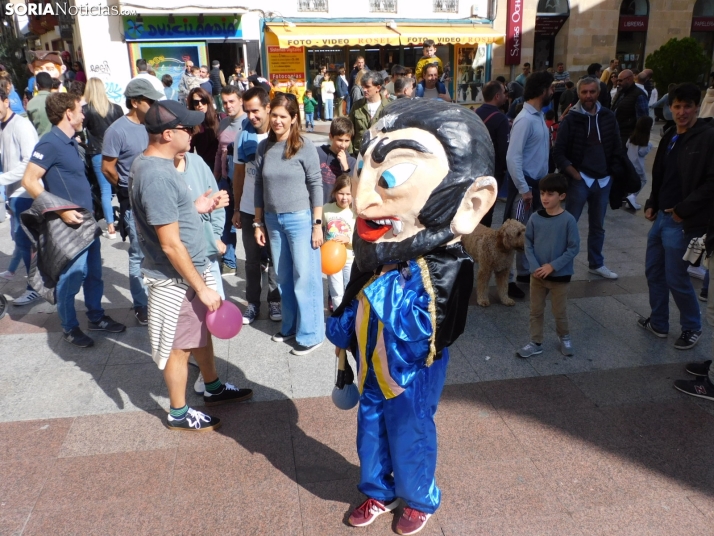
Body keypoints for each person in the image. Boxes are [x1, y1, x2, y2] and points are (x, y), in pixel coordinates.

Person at [327, 99, 497, 536]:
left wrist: (379, 285)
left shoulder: (447, 264)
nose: (364, 199)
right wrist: (342, 322)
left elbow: (425, 331)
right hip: (370, 364)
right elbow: (354, 303)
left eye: (390, 176)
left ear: (470, 200)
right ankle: (377, 490)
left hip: (409, 371)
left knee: (410, 428)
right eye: (363, 173)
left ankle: (419, 496)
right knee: (369, 425)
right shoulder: (378, 256)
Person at [130, 100, 252, 431]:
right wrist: (201, 287)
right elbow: (169, 243)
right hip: (177, 281)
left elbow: (170, 219)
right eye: (188, 128)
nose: (195, 132)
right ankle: (179, 412)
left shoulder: (160, 167)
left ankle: (212, 388)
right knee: (179, 347)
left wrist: (197, 207)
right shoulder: (157, 176)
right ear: (168, 134)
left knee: (198, 336)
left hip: (188, 274)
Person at [21, 92, 126, 346]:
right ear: (68, 113)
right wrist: (59, 210)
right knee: (71, 278)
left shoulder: (71, 142)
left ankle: (96, 317)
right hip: (68, 225)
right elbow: (29, 180)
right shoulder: (50, 143)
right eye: (80, 109)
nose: (83, 113)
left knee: (94, 274)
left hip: (86, 222)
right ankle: (69, 327)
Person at [638, 83, 714, 351]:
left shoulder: (707, 137)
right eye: (677, 106)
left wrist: (684, 210)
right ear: (670, 108)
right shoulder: (670, 133)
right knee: (653, 271)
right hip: (661, 216)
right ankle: (659, 322)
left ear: (696, 107)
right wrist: (652, 201)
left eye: (687, 106)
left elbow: (710, 182)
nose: (682, 112)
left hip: (682, 221)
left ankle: (692, 327)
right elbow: (661, 173)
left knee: (676, 277)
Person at [253, 94, 325, 356]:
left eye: (284, 117)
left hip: (300, 219)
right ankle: (291, 326)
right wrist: (258, 222)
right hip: (273, 220)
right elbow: (260, 185)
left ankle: (312, 334)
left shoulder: (304, 147)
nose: (277, 121)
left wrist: (317, 224)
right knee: (283, 277)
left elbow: (316, 185)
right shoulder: (264, 147)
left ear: (294, 118)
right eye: (275, 116)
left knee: (304, 278)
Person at [102, 78, 164, 326]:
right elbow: (107, 167)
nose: (154, 104)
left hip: (158, 196)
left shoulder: (155, 123)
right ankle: (142, 305)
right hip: (134, 203)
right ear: (135, 102)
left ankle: (161, 299)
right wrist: (125, 188)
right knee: (138, 253)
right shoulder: (117, 130)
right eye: (149, 101)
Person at [553, 76, 621, 281]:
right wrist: (575, 174)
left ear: (598, 93)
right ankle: (562, 265)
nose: (588, 96)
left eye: (592, 92)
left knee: (598, 225)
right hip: (580, 179)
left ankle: (596, 263)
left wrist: (612, 172)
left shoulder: (608, 116)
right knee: (569, 224)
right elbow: (559, 152)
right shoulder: (571, 119)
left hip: (603, 180)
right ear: (579, 94)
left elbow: (617, 147)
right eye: (584, 92)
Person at [231, 87, 281, 325]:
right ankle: (252, 303)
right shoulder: (243, 136)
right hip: (250, 207)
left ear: (267, 108)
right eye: (248, 111)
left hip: (275, 207)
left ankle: (274, 299)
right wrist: (237, 208)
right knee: (252, 260)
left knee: (275, 257)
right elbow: (238, 175)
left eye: (256, 111)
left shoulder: (280, 133)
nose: (251, 116)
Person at [517, 173, 580, 358]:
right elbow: (528, 243)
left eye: (550, 194)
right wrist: (536, 266)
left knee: (559, 311)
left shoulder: (568, 220)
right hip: (537, 276)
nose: (545, 197)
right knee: (535, 310)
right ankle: (535, 342)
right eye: (543, 193)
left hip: (560, 277)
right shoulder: (535, 218)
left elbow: (573, 248)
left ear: (562, 196)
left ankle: (565, 337)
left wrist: (552, 266)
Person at [505, 71, 554, 290]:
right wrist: (524, 189)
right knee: (514, 234)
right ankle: (508, 280)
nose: (553, 92)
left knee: (528, 232)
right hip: (525, 187)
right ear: (543, 90)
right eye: (551, 88)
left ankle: (524, 272)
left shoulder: (538, 116)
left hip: (537, 185)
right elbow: (512, 156)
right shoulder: (524, 120)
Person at [0, 87, 40, 305]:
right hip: (14, 195)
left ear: (6, 101)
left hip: (25, 193)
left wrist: (2, 179)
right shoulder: (4, 126)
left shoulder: (21, 125)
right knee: (23, 242)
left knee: (26, 242)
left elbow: (29, 162)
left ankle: (35, 286)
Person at [175, 149, 229, 301]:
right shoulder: (159, 171)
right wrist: (193, 208)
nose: (187, 141)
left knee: (217, 305)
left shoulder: (197, 162)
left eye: (190, 132)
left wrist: (216, 236)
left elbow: (217, 203)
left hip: (206, 253)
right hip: (176, 257)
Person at [82, 78, 124, 239]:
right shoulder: (116, 108)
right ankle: (126, 220)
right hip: (118, 152)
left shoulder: (86, 110)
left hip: (98, 152)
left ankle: (110, 227)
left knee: (105, 190)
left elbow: (79, 130)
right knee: (121, 185)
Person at [214, 86, 246, 275]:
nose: (228, 105)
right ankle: (229, 260)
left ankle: (262, 259)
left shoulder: (249, 123)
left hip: (246, 182)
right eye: (225, 102)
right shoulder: (223, 123)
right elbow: (219, 152)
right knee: (225, 222)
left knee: (251, 222)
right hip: (225, 181)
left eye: (232, 101)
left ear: (241, 101)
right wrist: (217, 177)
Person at [475, 80, 510, 228]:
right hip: (493, 171)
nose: (505, 96)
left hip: (476, 167)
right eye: (503, 93)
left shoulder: (476, 113)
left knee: (475, 208)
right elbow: (503, 149)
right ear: (497, 96)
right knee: (488, 210)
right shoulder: (501, 118)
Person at [322, 175, 355, 310]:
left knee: (350, 291)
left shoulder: (355, 212)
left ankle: (351, 319)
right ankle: (338, 317)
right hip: (331, 260)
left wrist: (349, 240)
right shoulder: (326, 209)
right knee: (336, 293)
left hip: (349, 258)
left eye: (348, 194)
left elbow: (361, 236)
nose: (344, 197)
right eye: (341, 193)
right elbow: (318, 229)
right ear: (334, 193)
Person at [316, 117, 356, 204]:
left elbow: (351, 188)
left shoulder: (352, 162)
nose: (343, 145)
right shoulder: (318, 153)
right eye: (340, 140)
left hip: (337, 210)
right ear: (331, 136)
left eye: (347, 141)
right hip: (319, 207)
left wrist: (345, 167)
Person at [349, 71, 388, 157]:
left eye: (368, 87)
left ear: (378, 87)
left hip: (379, 156)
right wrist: (350, 154)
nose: (364, 90)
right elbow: (349, 131)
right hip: (359, 155)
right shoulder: (357, 106)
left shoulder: (389, 107)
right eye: (363, 87)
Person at [612, 69, 648, 148]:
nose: (618, 83)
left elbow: (643, 120)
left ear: (628, 79)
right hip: (617, 134)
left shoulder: (639, 95)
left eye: (620, 80)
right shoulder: (621, 92)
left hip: (628, 138)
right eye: (617, 80)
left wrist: (638, 140)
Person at [624, 115, 654, 210]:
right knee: (643, 180)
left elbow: (627, 145)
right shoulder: (645, 141)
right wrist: (650, 146)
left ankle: (630, 200)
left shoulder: (632, 137)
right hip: (638, 166)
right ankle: (632, 196)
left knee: (631, 182)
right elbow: (642, 152)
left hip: (629, 164)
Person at [187, 86, 220, 168]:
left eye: (203, 101)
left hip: (223, 166)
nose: (200, 105)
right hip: (206, 167)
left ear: (208, 101)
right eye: (196, 102)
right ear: (192, 105)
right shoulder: (192, 124)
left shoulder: (220, 118)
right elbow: (188, 150)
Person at [26, 72, 53, 136]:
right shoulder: (60, 99)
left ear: (37, 86)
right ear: (52, 85)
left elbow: (31, 127)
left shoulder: (30, 104)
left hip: (41, 141)